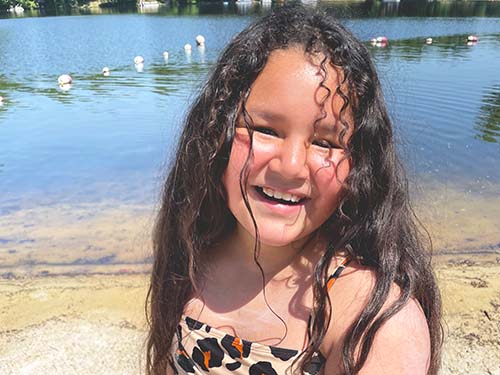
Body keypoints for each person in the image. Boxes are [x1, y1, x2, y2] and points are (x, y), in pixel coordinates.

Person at [146, 5, 442, 375]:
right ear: (214, 136)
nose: (290, 166)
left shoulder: (373, 322)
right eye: (265, 130)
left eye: (326, 143)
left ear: (360, 166)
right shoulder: (191, 252)